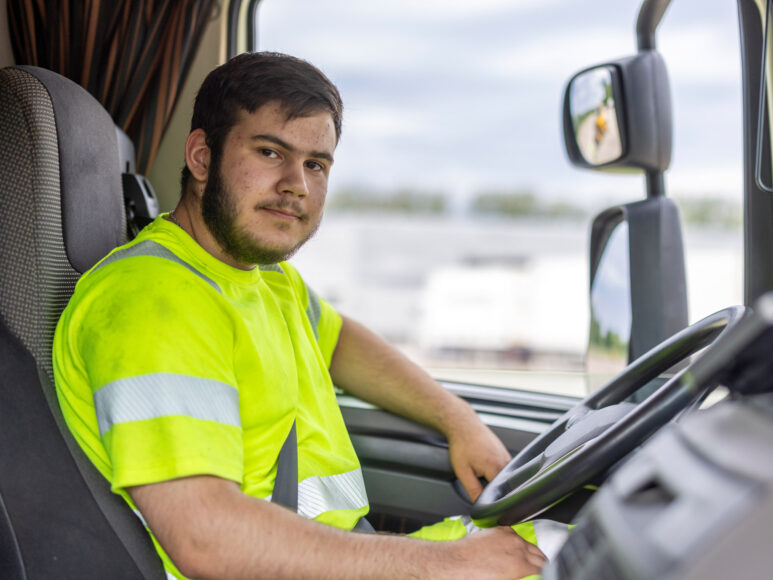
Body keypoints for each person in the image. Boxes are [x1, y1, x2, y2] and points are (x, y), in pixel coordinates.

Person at [53, 51, 547, 579]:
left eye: (316, 164)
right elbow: (203, 537)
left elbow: (340, 342)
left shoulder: (262, 274)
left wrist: (459, 421)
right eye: (270, 152)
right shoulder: (152, 301)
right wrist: (443, 566)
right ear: (201, 157)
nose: (298, 184)